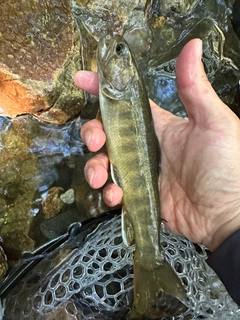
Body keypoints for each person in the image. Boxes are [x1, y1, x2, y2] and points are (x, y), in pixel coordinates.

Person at [74, 38, 240, 305]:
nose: (113, 48)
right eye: (120, 49)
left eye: (119, 52)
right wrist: (231, 218)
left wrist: (231, 216)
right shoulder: (117, 92)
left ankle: (150, 261)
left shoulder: (118, 94)